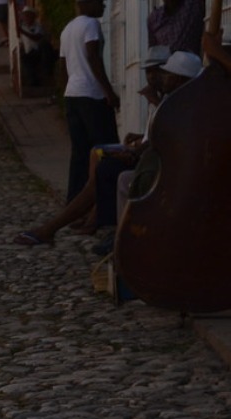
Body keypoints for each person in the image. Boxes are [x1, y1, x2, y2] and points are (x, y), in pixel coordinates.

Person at [13, 50, 197, 247]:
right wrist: (135, 147)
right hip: (149, 156)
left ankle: (85, 227)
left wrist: (135, 152)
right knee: (102, 165)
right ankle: (79, 225)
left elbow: (167, 135)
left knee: (108, 171)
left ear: (178, 79)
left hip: (160, 164)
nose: (159, 77)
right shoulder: (170, 99)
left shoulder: (179, 103)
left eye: (165, 74)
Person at [59, 0, 120, 202]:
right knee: (105, 148)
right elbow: (93, 56)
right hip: (92, 95)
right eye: (99, 2)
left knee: (80, 152)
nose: (103, 6)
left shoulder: (67, 29)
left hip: (73, 94)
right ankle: (105, 197)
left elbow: (62, 65)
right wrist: (108, 91)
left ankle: (75, 199)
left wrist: (66, 92)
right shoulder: (91, 24)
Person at [17, 7, 58, 87]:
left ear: (33, 16)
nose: (27, 17)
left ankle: (47, 71)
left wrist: (23, 32)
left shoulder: (38, 26)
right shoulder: (22, 26)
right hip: (30, 52)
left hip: (39, 51)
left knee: (44, 45)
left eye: (28, 15)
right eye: (25, 15)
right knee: (25, 59)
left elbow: (37, 37)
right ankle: (33, 80)